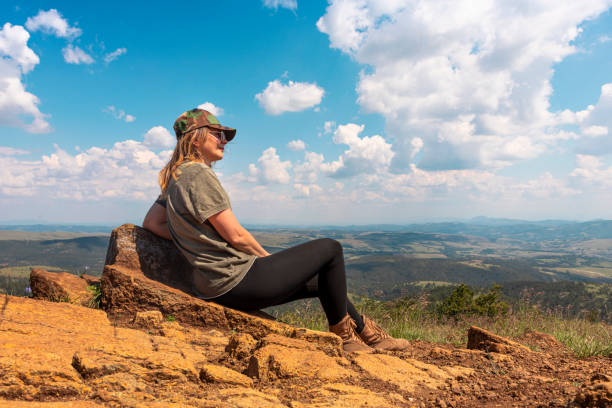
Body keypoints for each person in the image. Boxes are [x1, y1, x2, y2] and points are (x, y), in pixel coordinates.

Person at [142, 108, 409, 352]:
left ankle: (366, 333)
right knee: (331, 248)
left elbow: (152, 223)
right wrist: (268, 262)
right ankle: (346, 339)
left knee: (322, 281)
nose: (224, 140)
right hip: (236, 281)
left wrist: (193, 242)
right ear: (195, 139)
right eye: (218, 134)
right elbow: (235, 235)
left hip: (213, 286)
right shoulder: (199, 174)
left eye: (225, 136)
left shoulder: (176, 178)